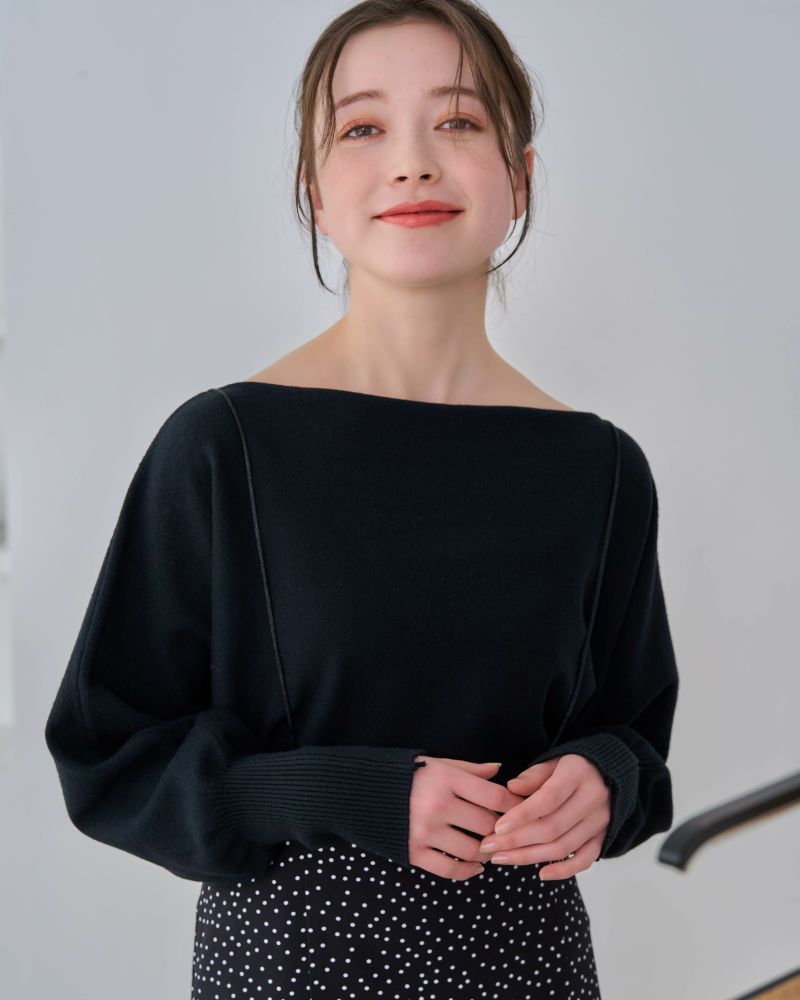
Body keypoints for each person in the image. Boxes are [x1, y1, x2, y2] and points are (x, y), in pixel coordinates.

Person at [45, 2, 680, 997]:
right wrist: (348, 791)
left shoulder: (598, 468)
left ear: (519, 177)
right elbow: (109, 755)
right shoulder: (223, 446)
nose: (413, 162)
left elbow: (635, 735)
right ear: (315, 192)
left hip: (529, 966)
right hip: (293, 965)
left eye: (458, 121)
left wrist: (604, 778)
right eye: (363, 127)